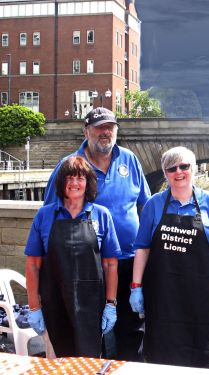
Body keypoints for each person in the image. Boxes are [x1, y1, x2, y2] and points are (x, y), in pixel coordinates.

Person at [43, 107, 151, 361]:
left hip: (128, 261)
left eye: (110, 127)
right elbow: (49, 215)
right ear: (86, 130)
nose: (106, 132)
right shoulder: (70, 166)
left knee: (131, 331)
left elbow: (145, 206)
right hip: (87, 267)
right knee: (88, 333)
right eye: (99, 127)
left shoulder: (130, 159)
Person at [129, 146, 209, 366]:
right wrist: (136, 287)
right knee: (160, 355)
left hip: (200, 298)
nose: (179, 172)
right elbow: (142, 247)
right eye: (171, 168)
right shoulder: (154, 205)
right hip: (162, 297)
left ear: (193, 169)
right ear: (165, 173)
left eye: (184, 166)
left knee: (198, 354)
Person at [25, 156, 120, 357]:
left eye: (80, 178)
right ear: (61, 182)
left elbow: (110, 264)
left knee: (89, 363)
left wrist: (110, 304)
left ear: (88, 182)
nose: (74, 183)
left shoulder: (101, 215)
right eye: (69, 178)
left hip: (91, 307)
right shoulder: (45, 215)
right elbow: (33, 264)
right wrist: (34, 307)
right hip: (54, 304)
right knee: (58, 363)